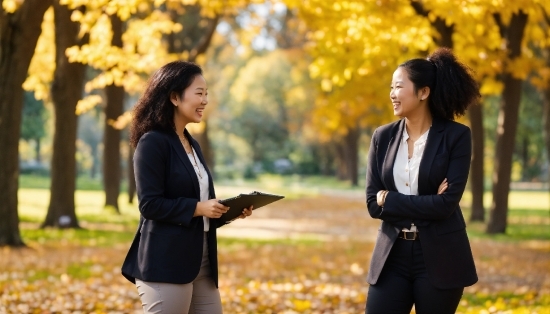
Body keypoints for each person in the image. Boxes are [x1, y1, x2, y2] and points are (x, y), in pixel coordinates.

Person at [121, 60, 253, 314]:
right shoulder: (152, 142)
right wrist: (199, 207)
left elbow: (201, 206)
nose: (205, 100)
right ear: (174, 97)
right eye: (199, 93)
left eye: (207, 94)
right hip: (166, 262)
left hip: (202, 260)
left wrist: (231, 210)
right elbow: (150, 204)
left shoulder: (192, 144)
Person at [364, 48, 479, 314]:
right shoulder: (382, 137)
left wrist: (390, 200)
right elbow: (372, 204)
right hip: (392, 257)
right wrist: (428, 202)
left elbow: (446, 205)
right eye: (391, 87)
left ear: (423, 92)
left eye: (399, 86)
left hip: (442, 257)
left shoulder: (456, 136)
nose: (392, 94)